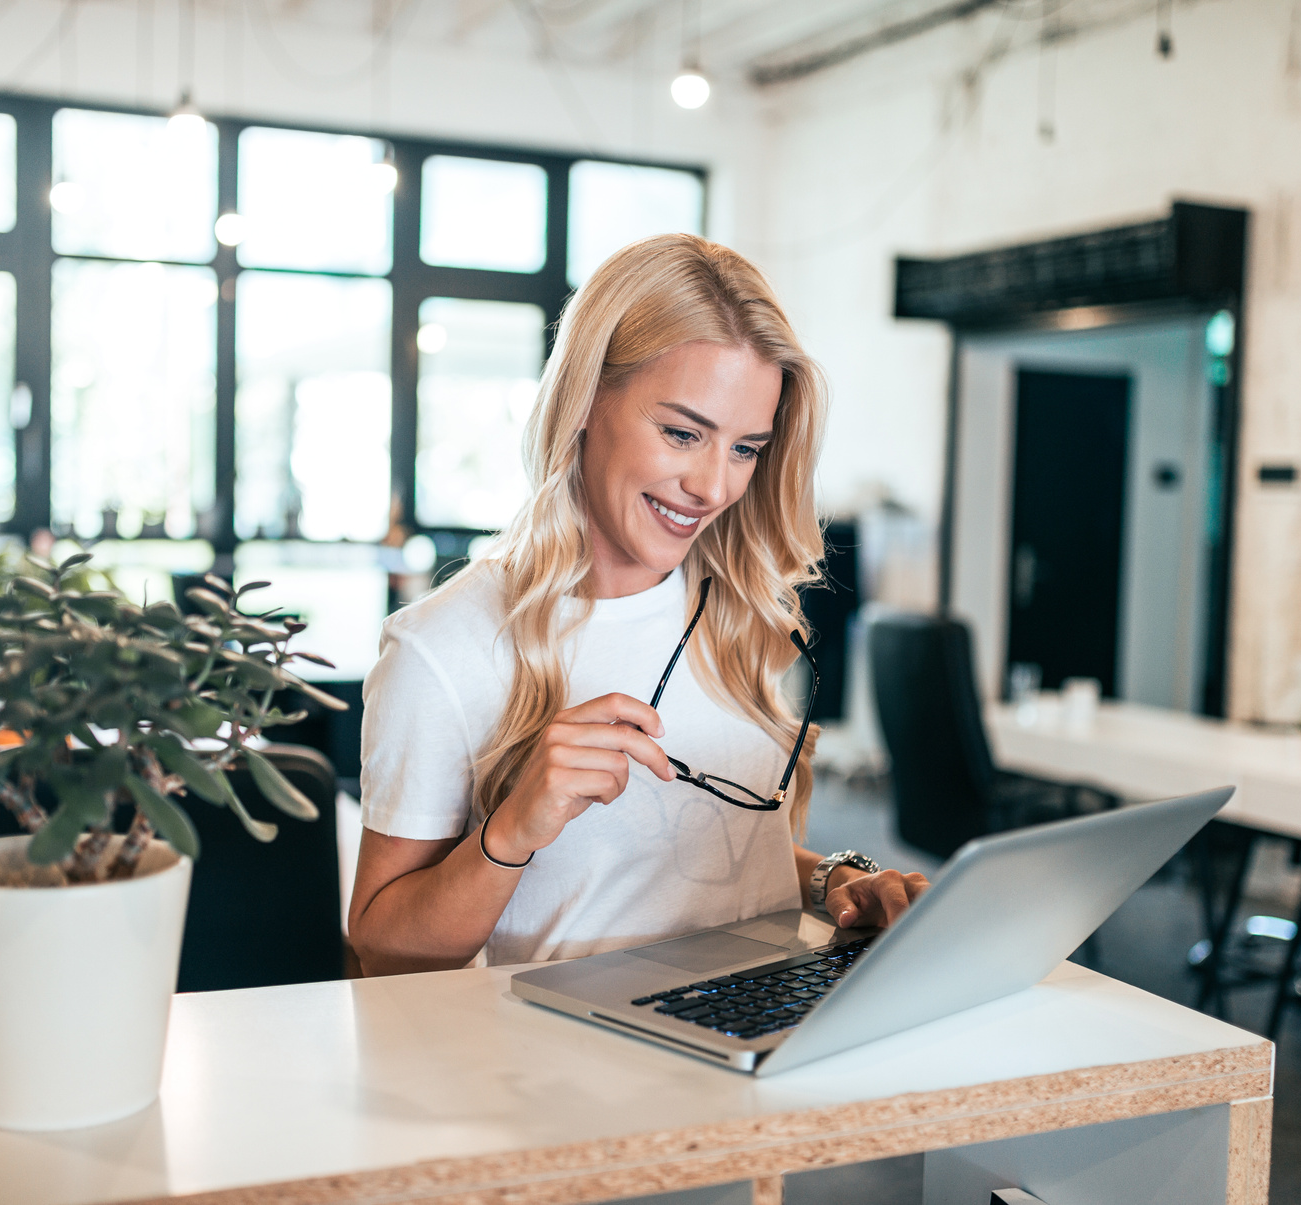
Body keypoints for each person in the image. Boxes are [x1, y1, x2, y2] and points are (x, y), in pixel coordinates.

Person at [348, 234, 927, 976]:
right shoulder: (443, 647)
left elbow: (705, 855)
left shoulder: (734, 609)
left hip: (754, 1036)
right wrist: (514, 826)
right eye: (683, 433)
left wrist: (832, 882)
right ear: (586, 399)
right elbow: (383, 944)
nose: (713, 487)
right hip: (573, 1070)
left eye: (745, 448)